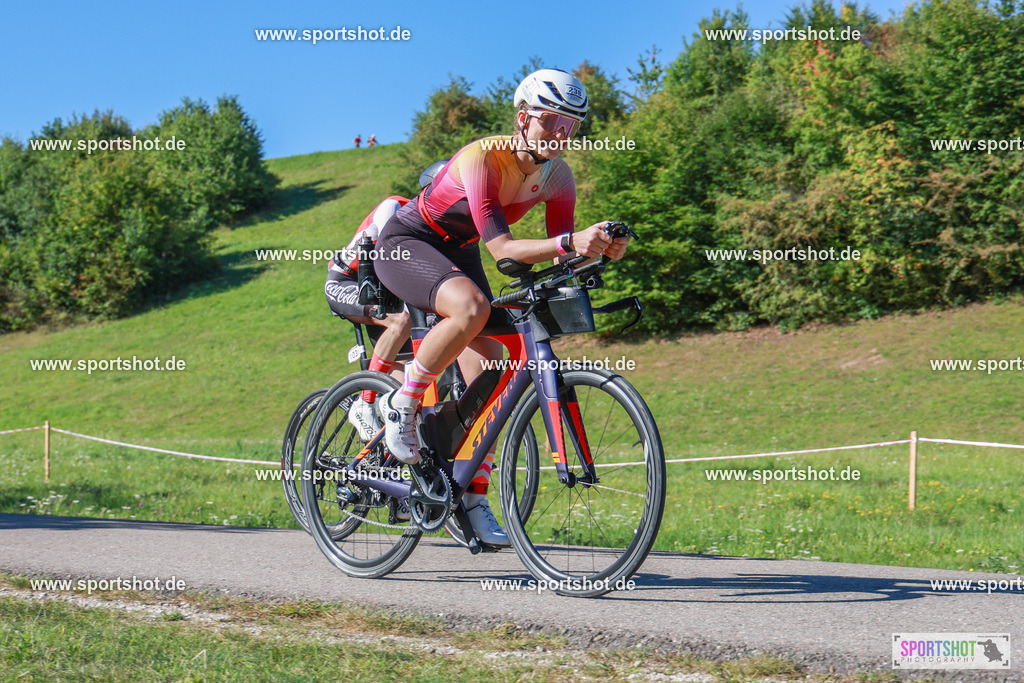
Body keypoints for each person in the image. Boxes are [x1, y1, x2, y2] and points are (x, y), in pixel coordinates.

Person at [374, 69, 631, 546]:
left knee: (505, 360)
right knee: (471, 307)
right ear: (523, 118)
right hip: (408, 243)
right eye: (552, 120)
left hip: (460, 250)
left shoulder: (559, 176)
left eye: (571, 126)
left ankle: (468, 491)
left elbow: (561, 250)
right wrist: (570, 242)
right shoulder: (482, 157)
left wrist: (596, 248)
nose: (561, 133)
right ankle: (402, 406)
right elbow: (505, 252)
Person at [324, 160, 449, 441]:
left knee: (402, 396)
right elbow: (379, 263)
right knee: (402, 319)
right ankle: (363, 404)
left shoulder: (441, 231)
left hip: (391, 292)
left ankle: (381, 457)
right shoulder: (394, 207)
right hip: (348, 280)